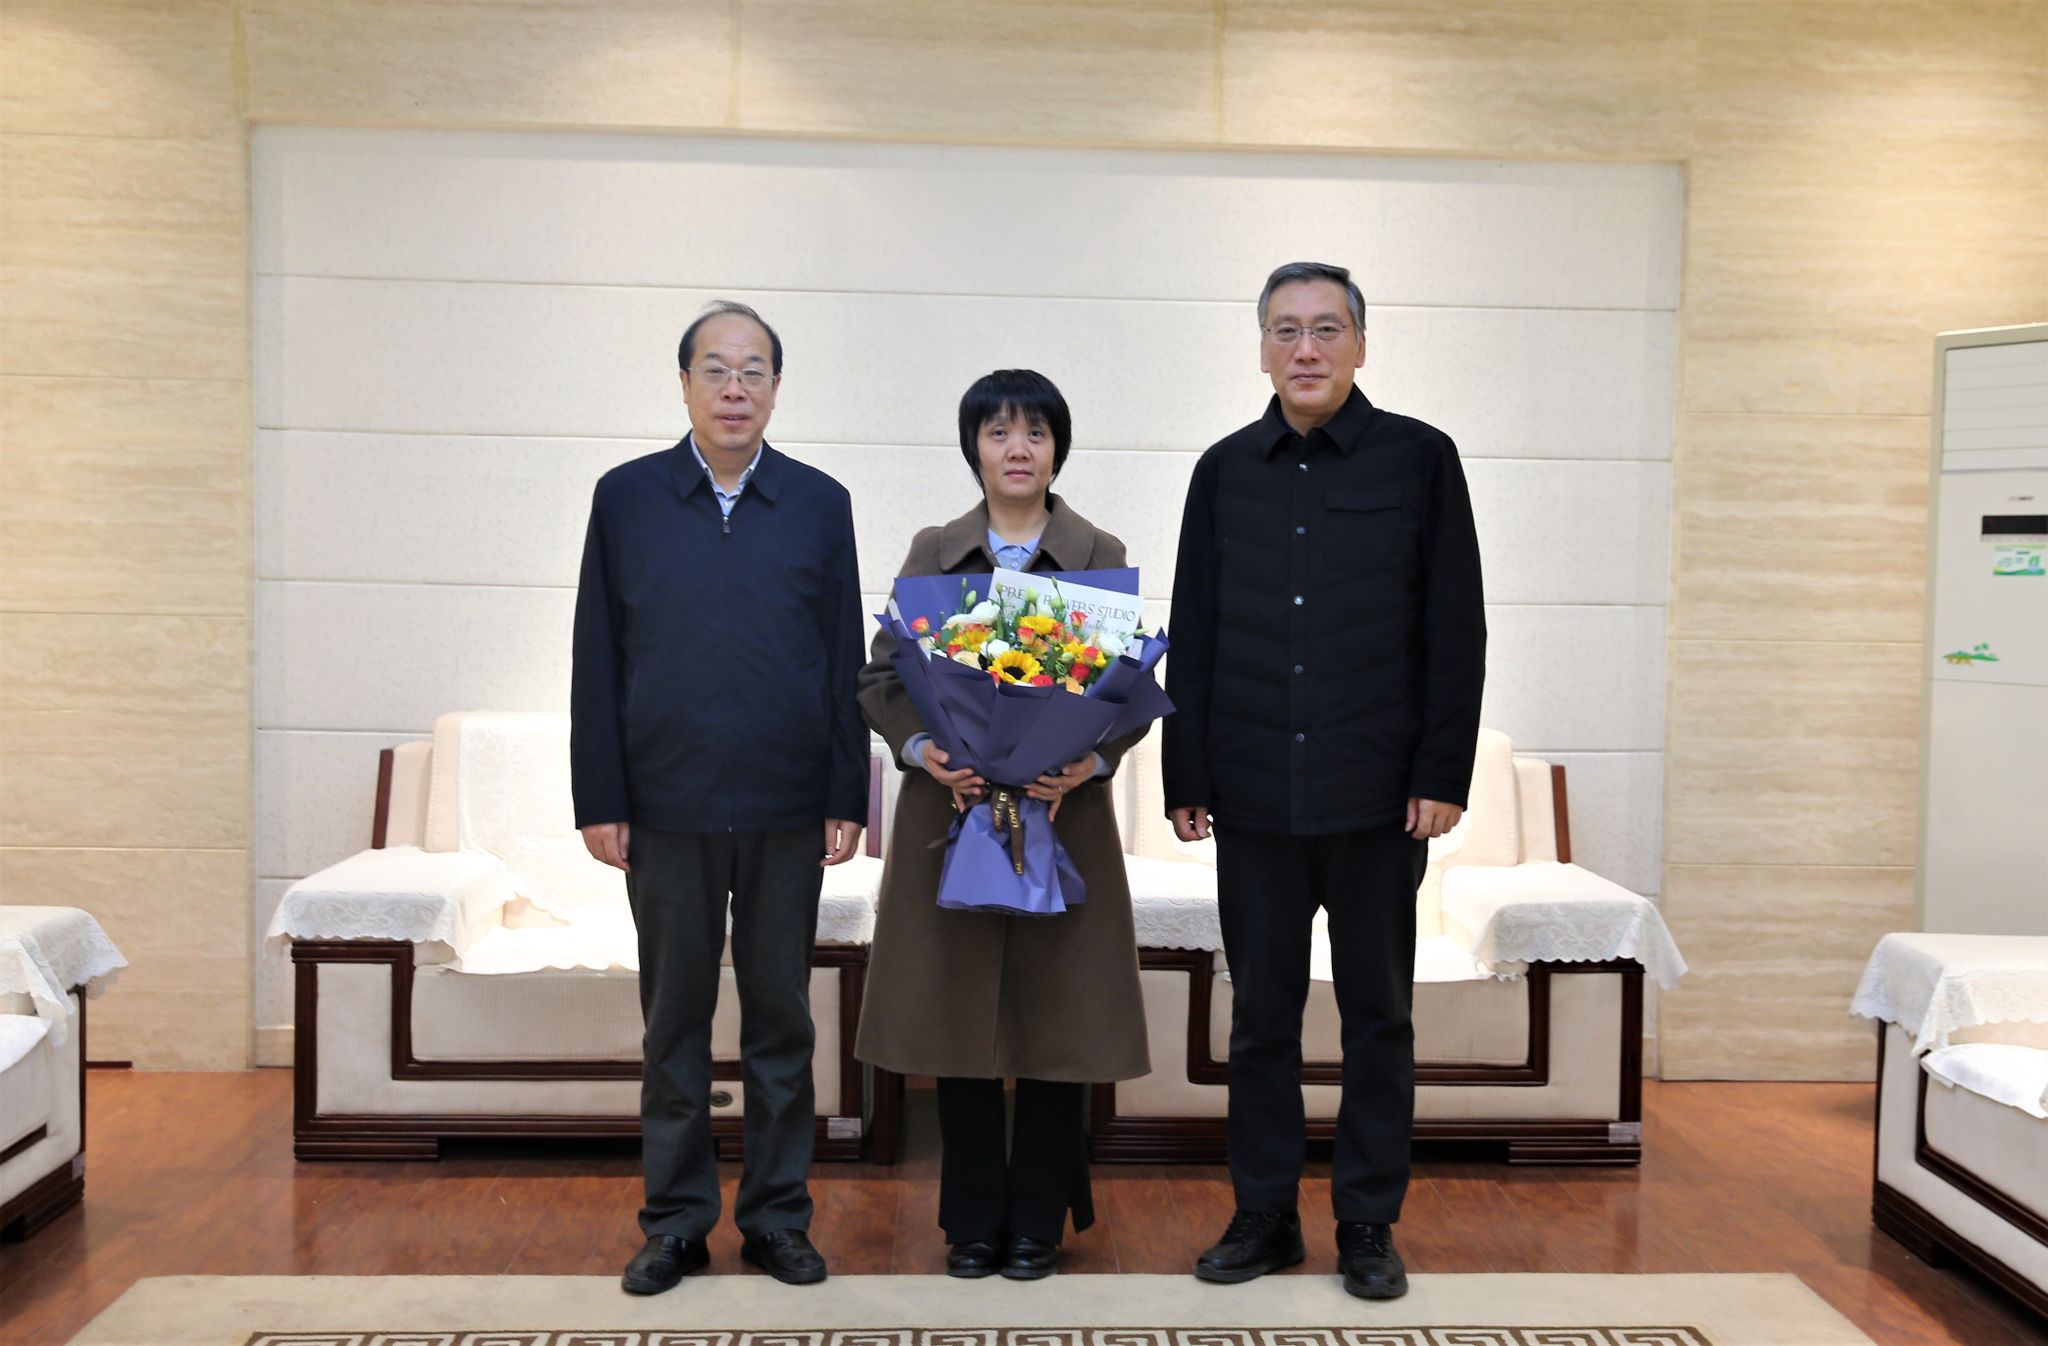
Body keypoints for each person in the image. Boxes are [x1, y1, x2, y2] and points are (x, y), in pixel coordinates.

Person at [1163, 262, 1485, 1301]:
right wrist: (1186, 769)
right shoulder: (1223, 470)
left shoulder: (1420, 459)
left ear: (1360, 345)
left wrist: (1441, 771)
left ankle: (1366, 1222)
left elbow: (1455, 627)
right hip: (1254, 792)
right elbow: (1194, 628)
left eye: (1327, 329)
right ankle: (1263, 1214)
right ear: (1261, 348)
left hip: (1377, 797)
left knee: (1376, 1017)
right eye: (1286, 330)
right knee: (1259, 1019)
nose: (1306, 348)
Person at [570, 300, 868, 1295]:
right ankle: (675, 1222)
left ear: (776, 388)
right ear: (685, 384)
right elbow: (596, 654)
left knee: (783, 1023)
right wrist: (600, 794)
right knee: (673, 1027)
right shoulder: (626, 498)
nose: (734, 389)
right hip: (667, 802)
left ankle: (778, 1218)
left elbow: (843, 655)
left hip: (787, 806)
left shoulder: (819, 503)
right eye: (715, 370)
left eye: (753, 372)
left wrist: (846, 790)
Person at [855, 369, 1150, 1281]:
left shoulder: (1097, 550)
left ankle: (1038, 1223)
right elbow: (884, 678)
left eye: (1034, 433)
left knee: (1058, 1025)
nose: (1017, 449)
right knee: (960, 1024)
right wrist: (922, 751)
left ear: (1058, 449)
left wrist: (1090, 761)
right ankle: (973, 1222)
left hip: (1064, 819)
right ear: (973, 449)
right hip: (953, 815)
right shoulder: (933, 550)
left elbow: (1126, 691)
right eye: (998, 433)